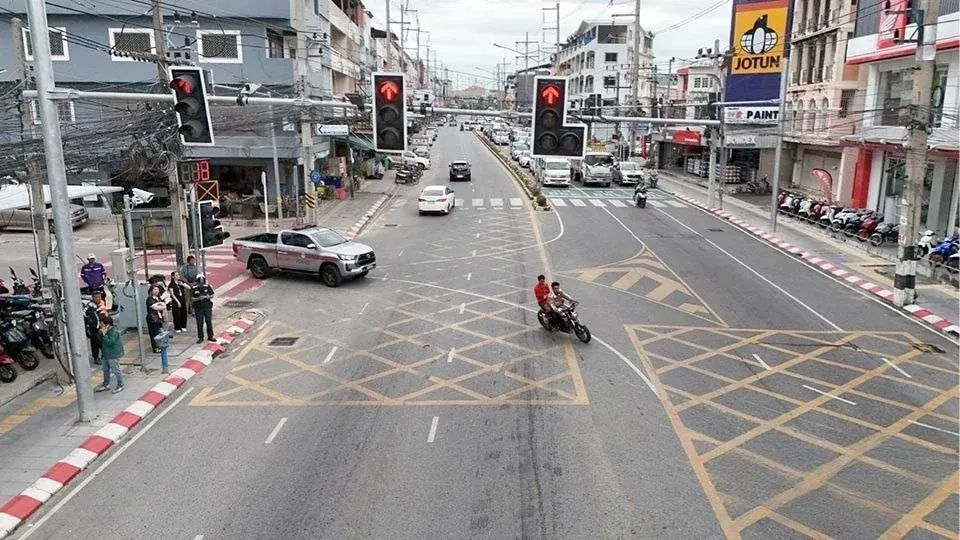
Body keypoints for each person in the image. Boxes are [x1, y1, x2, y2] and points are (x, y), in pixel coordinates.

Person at [94, 316, 124, 394]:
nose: (100, 325)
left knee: (116, 369)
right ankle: (106, 384)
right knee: (105, 369)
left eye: (102, 324)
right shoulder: (105, 331)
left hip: (113, 354)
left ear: (107, 325)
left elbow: (110, 342)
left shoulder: (114, 332)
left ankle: (120, 384)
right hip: (105, 354)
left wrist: (104, 335)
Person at [191, 274, 215, 343]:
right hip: (198, 308)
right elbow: (192, 299)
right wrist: (198, 298)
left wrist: (208, 297)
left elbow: (212, 294)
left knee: (208, 321)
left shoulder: (207, 286)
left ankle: (211, 336)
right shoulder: (194, 288)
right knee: (199, 323)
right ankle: (200, 337)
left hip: (207, 306)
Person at [145, 285, 166, 353]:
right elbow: (156, 307)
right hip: (152, 318)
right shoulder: (150, 299)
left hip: (159, 317)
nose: (156, 291)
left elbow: (164, 305)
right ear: (151, 291)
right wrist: (162, 306)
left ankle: (159, 345)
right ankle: (155, 347)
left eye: (157, 289)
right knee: (154, 333)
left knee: (159, 332)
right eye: (155, 289)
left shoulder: (158, 298)